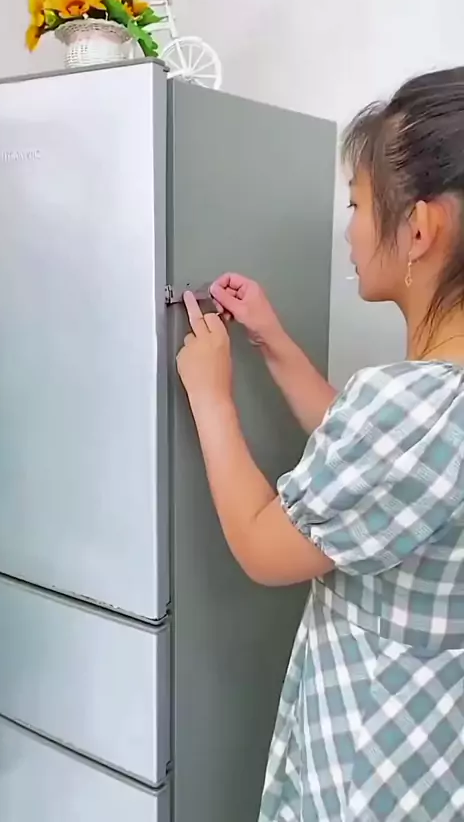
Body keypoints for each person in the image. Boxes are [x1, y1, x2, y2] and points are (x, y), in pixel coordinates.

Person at [176, 66, 464, 822]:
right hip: (433, 746)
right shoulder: (428, 406)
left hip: (371, 749)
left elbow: (263, 545)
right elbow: (374, 474)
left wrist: (210, 396)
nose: (349, 230)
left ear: (419, 230)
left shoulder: (402, 404)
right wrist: (272, 342)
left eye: (358, 204)